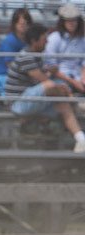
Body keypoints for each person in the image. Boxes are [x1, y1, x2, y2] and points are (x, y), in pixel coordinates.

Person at [5, 23, 85, 153]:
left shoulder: (36, 57)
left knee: (63, 104)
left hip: (31, 100)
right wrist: (59, 84)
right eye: (44, 39)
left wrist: (51, 74)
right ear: (34, 41)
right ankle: (76, 103)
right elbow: (45, 82)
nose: (47, 42)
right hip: (18, 103)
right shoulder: (26, 57)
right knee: (53, 85)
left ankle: (81, 139)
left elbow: (42, 81)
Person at [0, 8, 33, 96]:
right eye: (20, 23)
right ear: (14, 24)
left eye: (26, 23)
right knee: (17, 86)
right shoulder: (10, 40)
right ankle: (10, 106)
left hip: (13, 76)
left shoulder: (28, 41)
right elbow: (10, 65)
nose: (23, 26)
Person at [44, 3, 85, 93]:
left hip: (78, 77)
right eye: (68, 20)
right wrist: (74, 82)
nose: (72, 23)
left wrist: (83, 78)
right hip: (61, 79)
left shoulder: (82, 39)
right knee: (63, 90)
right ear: (62, 22)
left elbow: (84, 63)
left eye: (74, 20)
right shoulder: (54, 38)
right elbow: (52, 68)